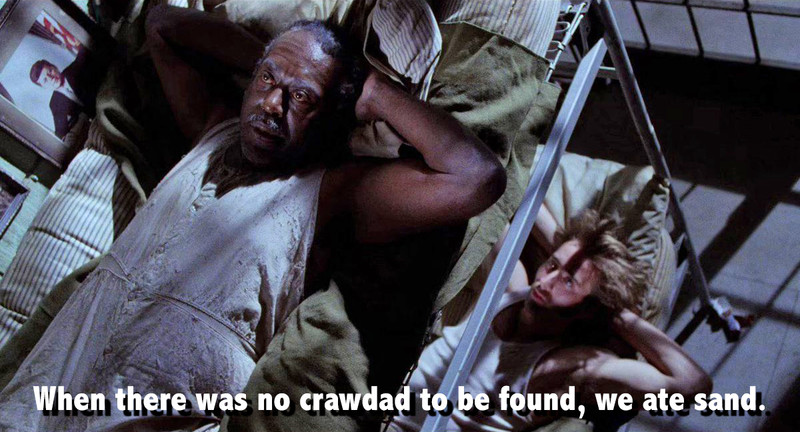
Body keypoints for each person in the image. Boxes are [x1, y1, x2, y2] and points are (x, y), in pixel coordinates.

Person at [0, 5, 505, 431]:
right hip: (39, 399)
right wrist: (280, 62)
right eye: (266, 82)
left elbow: (476, 177)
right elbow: (162, 25)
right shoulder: (214, 127)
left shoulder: (332, 191)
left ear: (334, 114)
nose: (272, 105)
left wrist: (369, 93)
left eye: (300, 98)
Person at [388, 209, 713, 432]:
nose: (546, 281)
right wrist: (572, 256)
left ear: (592, 308)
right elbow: (504, 202)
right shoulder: (512, 287)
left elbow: (691, 385)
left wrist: (616, 315)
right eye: (552, 265)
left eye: (568, 281)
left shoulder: (567, 365)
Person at [29, 47, 96, 139]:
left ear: (54, 66)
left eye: (50, 71)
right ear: (44, 87)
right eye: (45, 80)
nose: (51, 78)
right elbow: (61, 134)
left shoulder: (76, 67)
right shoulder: (54, 104)